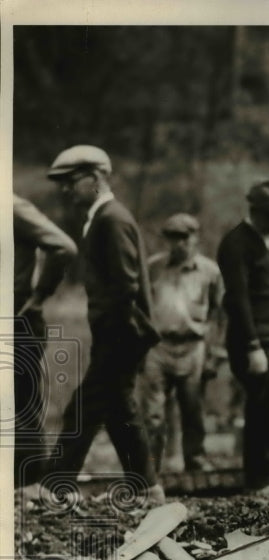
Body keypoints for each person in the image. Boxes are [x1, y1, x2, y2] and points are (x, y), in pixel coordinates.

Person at [41, 145, 164, 506]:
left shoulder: (111, 218)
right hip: (117, 332)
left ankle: (53, 487)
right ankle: (148, 488)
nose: (65, 189)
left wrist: (115, 336)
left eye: (71, 181)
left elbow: (126, 285)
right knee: (114, 409)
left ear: (94, 178)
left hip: (119, 333)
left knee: (86, 407)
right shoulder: (104, 217)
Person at [217, 180, 269, 491]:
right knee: (263, 409)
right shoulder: (237, 243)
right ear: (256, 212)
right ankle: (259, 480)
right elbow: (238, 298)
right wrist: (252, 346)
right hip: (256, 341)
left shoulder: (265, 240)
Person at [140, 213, 224, 473]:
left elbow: (220, 314)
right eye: (172, 238)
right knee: (153, 413)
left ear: (195, 238)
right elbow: (140, 307)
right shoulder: (153, 267)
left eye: (183, 238)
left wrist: (215, 351)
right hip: (159, 346)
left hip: (193, 346)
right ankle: (151, 468)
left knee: (193, 409)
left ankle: (195, 461)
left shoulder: (210, 272)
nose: (177, 244)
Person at [13, 194, 78, 489]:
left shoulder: (11, 206)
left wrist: (39, 296)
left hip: (17, 318)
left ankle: (27, 488)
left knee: (21, 406)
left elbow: (63, 247)